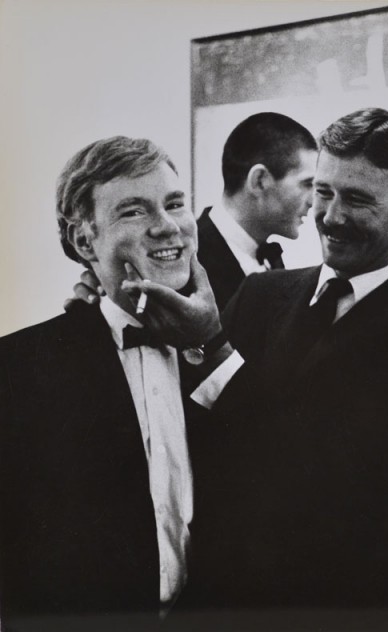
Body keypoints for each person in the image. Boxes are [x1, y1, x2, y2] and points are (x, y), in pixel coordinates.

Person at [113, 107, 388, 627]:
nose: (330, 215)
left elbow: (319, 468)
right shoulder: (264, 292)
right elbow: (204, 444)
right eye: (323, 192)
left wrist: (213, 344)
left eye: (358, 199)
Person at [0, 136, 215, 628]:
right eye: (134, 211)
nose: (167, 226)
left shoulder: (235, 346)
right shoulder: (17, 368)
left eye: (175, 203)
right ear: (83, 241)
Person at [197, 112, 317, 309]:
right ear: (259, 181)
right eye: (306, 184)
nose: (314, 201)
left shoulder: (271, 258)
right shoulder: (191, 259)